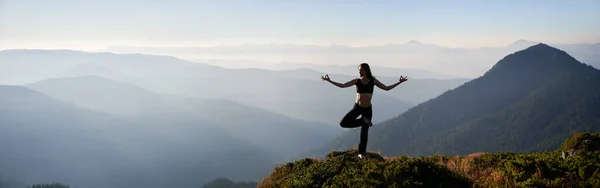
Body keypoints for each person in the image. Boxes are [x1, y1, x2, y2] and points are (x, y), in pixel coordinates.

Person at [321, 63, 408, 159]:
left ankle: (361, 153)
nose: (359, 72)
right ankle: (363, 121)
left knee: (364, 132)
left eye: (361, 70)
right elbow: (343, 85)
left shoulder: (373, 81)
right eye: (359, 70)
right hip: (357, 108)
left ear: (366, 70)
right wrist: (329, 81)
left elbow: (386, 88)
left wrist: (399, 82)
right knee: (343, 123)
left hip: (367, 109)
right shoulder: (357, 81)